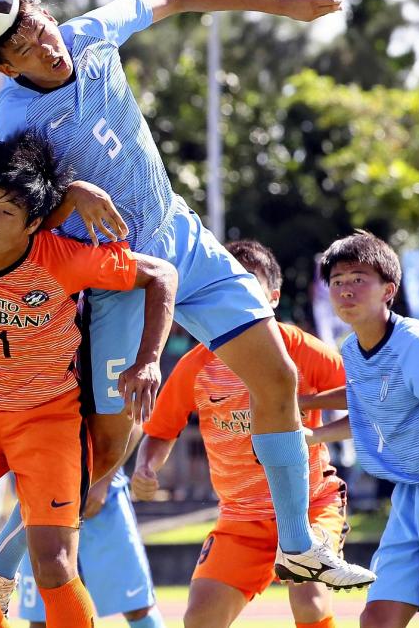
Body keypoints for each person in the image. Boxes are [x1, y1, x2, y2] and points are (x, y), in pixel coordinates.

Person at [0, 0, 373, 590]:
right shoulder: (16, 120)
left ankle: (298, 546)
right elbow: (19, 217)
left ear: (46, 13)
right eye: (24, 48)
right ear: (5, 66)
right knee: (105, 459)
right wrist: (71, 195)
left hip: (183, 241)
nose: (45, 47)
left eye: (40, 26)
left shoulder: (89, 33)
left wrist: (279, 2)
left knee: (278, 377)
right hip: (122, 279)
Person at [0, 135, 177, 628]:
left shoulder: (65, 259)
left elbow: (162, 275)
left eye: (6, 212)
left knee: (55, 565)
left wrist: (149, 359)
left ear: (33, 225)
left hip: (48, 419)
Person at [132, 239, 374, 628]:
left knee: (307, 594)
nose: (236, 293)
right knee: (199, 617)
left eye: (248, 283)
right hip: (240, 519)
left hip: (311, 503)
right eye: (226, 284)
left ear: (273, 296)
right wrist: (146, 467)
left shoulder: (298, 346)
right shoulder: (196, 363)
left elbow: (363, 393)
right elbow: (161, 430)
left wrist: (308, 414)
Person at [308, 231, 419, 628]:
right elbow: (369, 407)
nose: (345, 289)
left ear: (389, 290)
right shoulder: (351, 349)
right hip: (410, 495)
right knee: (377, 619)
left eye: (357, 278)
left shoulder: (415, 345)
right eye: (336, 281)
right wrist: (309, 426)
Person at [16, 427, 166, 628]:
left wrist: (103, 481)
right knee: (43, 616)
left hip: (103, 500)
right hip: (41, 497)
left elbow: (134, 422)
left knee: (138, 606)